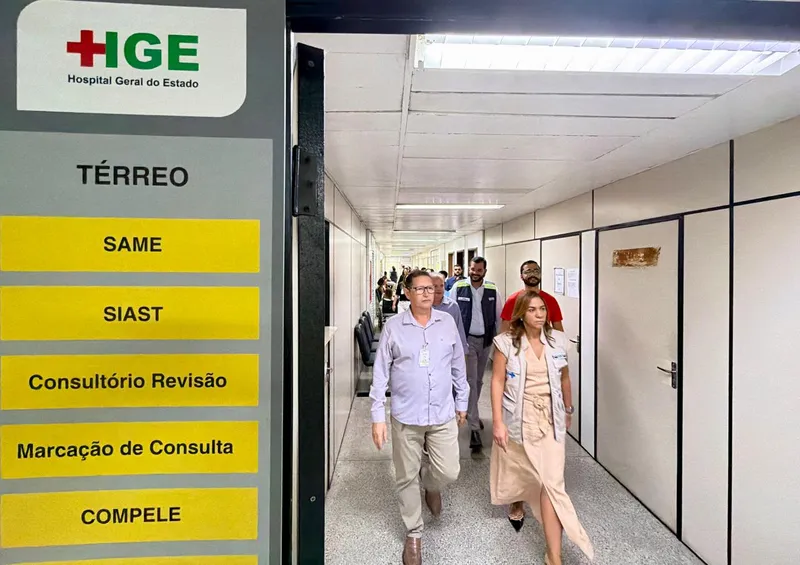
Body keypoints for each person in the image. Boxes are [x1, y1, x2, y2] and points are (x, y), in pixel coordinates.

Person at [370, 269, 469, 565]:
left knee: (449, 470)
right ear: (407, 292)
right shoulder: (394, 327)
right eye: (420, 289)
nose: (428, 293)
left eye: (431, 288)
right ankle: (414, 533)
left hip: (442, 412)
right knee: (405, 475)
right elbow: (380, 373)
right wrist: (377, 416)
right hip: (406, 414)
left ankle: (432, 483)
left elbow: (458, 365)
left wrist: (462, 400)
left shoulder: (447, 322)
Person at [490, 290, 593, 565]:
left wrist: (568, 409)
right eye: (532, 310)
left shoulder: (558, 341)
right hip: (521, 417)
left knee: (552, 483)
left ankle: (554, 555)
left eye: (542, 309)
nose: (539, 315)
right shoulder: (506, 343)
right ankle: (518, 502)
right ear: (521, 314)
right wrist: (498, 422)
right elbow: (497, 381)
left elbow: (565, 377)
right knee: (529, 473)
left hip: (552, 418)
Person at [451, 256, 504, 454]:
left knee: (479, 381)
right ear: (469, 269)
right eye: (472, 269)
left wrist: (499, 344)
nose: (475, 272)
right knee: (471, 381)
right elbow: (452, 315)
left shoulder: (492, 289)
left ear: (485, 271)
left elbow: (499, 318)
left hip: (486, 341)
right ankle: (474, 427)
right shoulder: (458, 288)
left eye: (479, 270)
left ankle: (472, 411)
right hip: (467, 341)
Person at [500, 260, 564, 334]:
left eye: (536, 271)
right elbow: (504, 331)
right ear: (521, 276)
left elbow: (559, 331)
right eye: (528, 272)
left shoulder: (550, 300)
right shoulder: (513, 300)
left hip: (544, 340)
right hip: (519, 340)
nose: (533, 274)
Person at [431, 273, 467, 351]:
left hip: (448, 350)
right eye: (435, 286)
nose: (439, 289)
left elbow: (459, 330)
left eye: (441, 285)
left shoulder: (453, 306)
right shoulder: (422, 306)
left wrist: (463, 350)